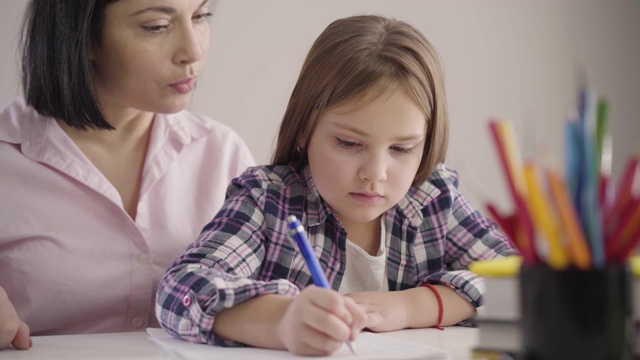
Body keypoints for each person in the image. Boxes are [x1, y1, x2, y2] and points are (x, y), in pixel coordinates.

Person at [156, 14, 518, 356]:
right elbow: (179, 290)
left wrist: (413, 307)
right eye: (349, 143)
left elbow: (527, 285)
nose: (375, 173)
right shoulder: (269, 201)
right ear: (304, 128)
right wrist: (282, 320)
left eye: (402, 148)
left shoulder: (434, 199)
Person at [0, 0, 255, 350]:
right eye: (156, 26)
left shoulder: (223, 153)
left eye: (199, 16)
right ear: (84, 37)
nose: (192, 51)